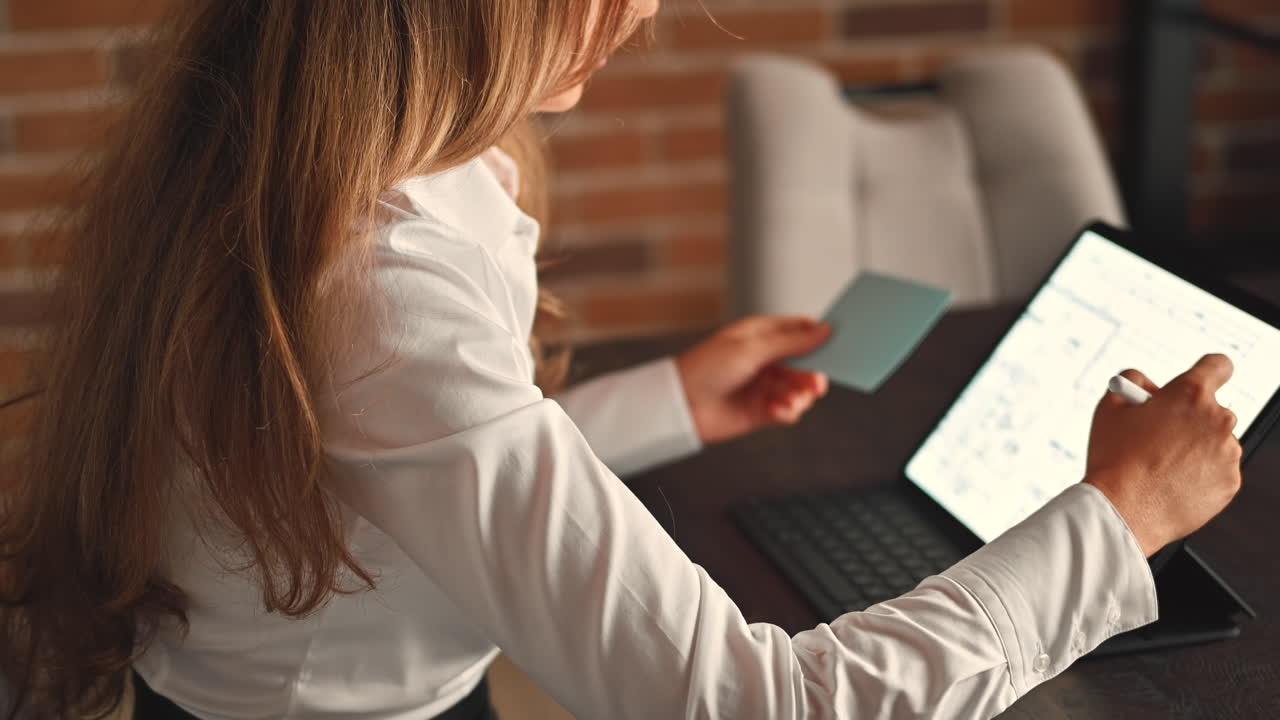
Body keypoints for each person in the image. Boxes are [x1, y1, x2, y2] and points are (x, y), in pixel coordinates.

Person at [0, 1, 1244, 718]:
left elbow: (401, 484)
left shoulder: (334, 166)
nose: (643, 11)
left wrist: (666, 401)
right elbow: (760, 708)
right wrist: (1113, 519)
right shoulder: (378, 285)